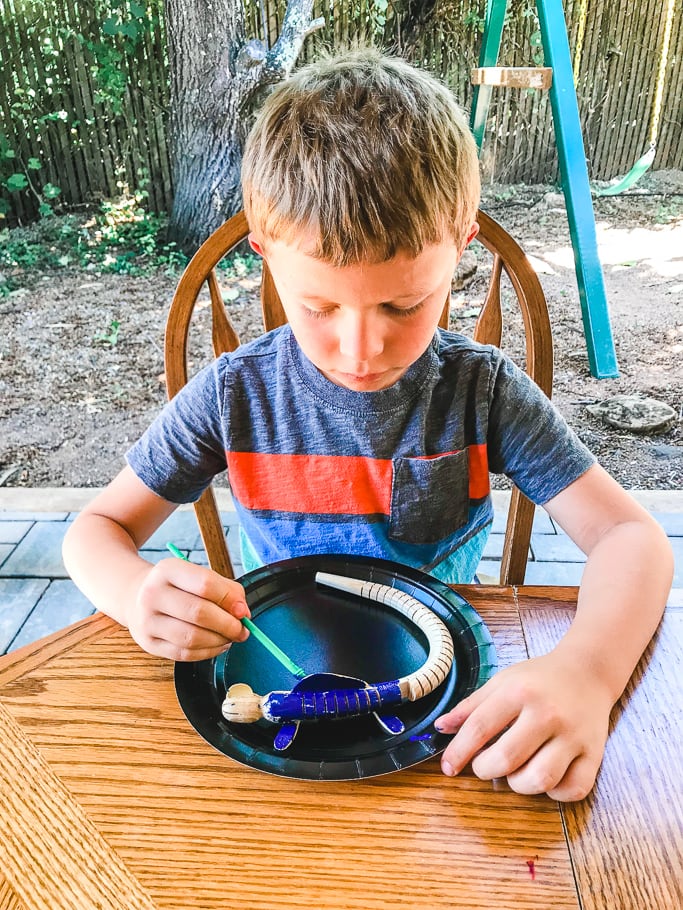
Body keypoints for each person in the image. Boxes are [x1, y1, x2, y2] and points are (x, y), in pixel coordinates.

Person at [63, 48, 673, 802]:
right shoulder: (234, 396)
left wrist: (586, 671)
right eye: (317, 307)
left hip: (443, 691)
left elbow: (631, 539)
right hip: (270, 687)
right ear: (265, 255)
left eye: (402, 305)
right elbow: (94, 530)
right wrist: (132, 594)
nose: (360, 349)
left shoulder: (480, 393)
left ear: (460, 247)